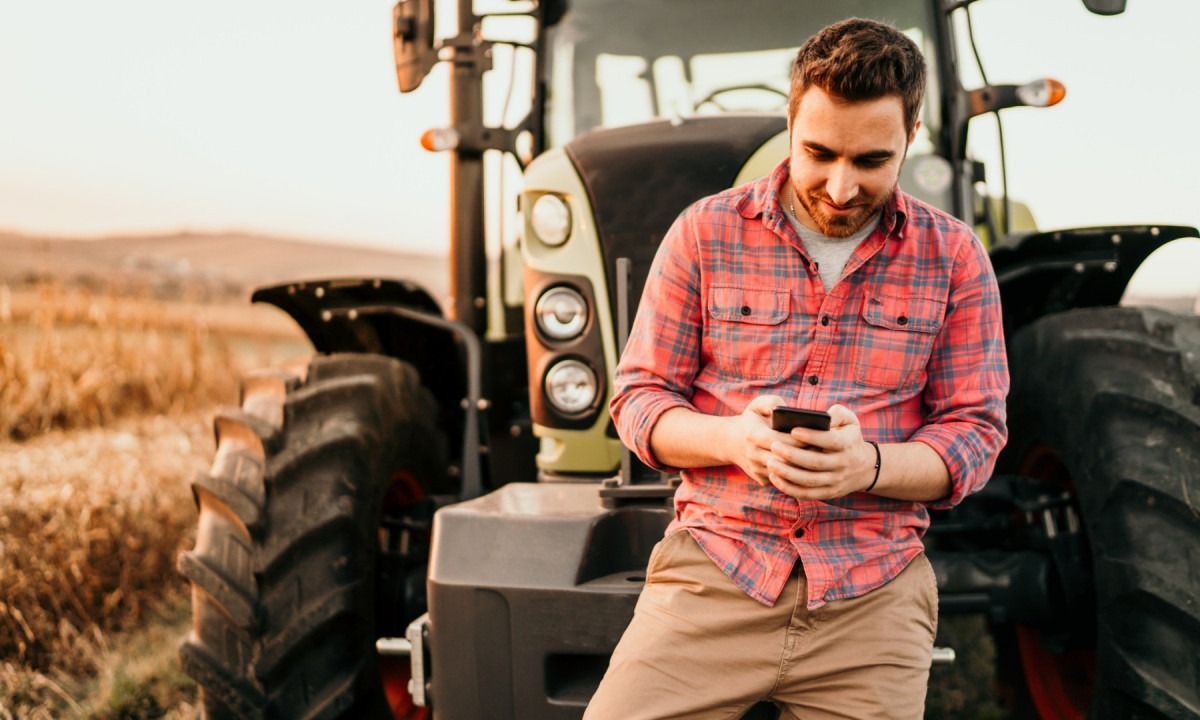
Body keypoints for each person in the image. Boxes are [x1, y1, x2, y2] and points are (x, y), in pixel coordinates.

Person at [586, 17, 1009, 720]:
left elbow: (975, 434)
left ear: (911, 137)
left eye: (871, 161)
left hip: (872, 595)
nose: (840, 188)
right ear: (791, 124)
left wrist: (866, 467)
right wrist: (733, 441)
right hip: (715, 573)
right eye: (819, 153)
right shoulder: (704, 232)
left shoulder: (956, 258)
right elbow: (637, 399)